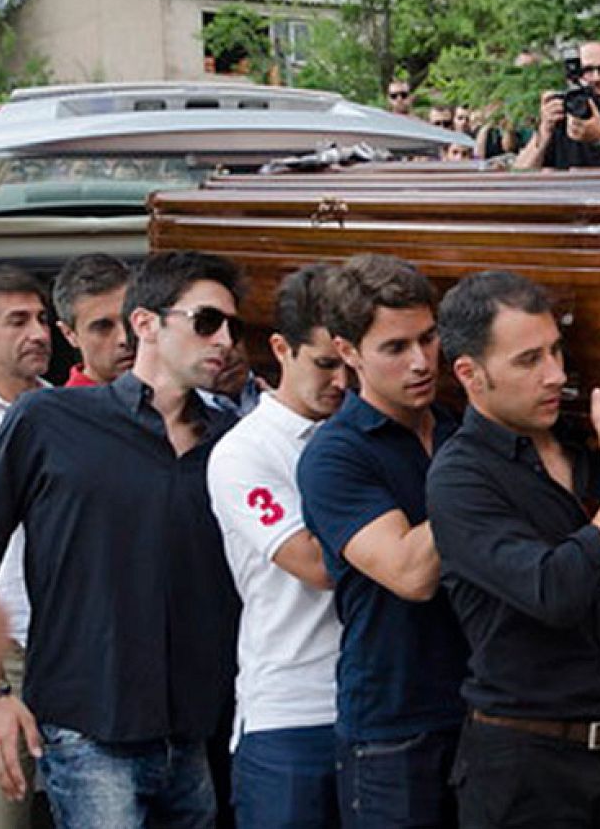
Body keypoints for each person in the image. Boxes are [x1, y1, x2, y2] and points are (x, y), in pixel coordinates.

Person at [428, 271, 600, 828]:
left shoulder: (583, 453)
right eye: (528, 360)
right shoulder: (459, 478)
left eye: (556, 352)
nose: (556, 375)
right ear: (470, 374)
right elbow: (557, 590)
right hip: (525, 768)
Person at [0, 251, 245, 826]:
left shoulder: (232, 443)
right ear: (147, 324)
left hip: (197, 734)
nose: (224, 339)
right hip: (88, 728)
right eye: (206, 321)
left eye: (232, 325)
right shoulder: (49, 419)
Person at [297, 254, 469, 829]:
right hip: (394, 725)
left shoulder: (453, 427)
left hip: (484, 710)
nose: (422, 362)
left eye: (428, 338)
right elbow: (410, 574)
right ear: (347, 352)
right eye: (395, 348)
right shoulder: (336, 454)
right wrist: (484, 467)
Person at [207, 264, 349, 829]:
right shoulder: (245, 452)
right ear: (280, 349)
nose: (342, 381)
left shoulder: (369, 432)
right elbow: (316, 565)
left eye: (351, 363)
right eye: (325, 364)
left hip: (379, 710)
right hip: (291, 713)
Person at [0, 266, 49, 829]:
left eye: (41, 318)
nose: (38, 332)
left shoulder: (65, 413)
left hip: (71, 650)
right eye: (17, 321)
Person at [515, 41, 600, 170]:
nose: (596, 78)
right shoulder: (560, 122)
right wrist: (544, 131)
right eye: (587, 70)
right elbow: (520, 175)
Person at [51, 253, 132, 388]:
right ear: (69, 334)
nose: (124, 339)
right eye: (103, 327)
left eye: (131, 320)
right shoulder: (59, 408)